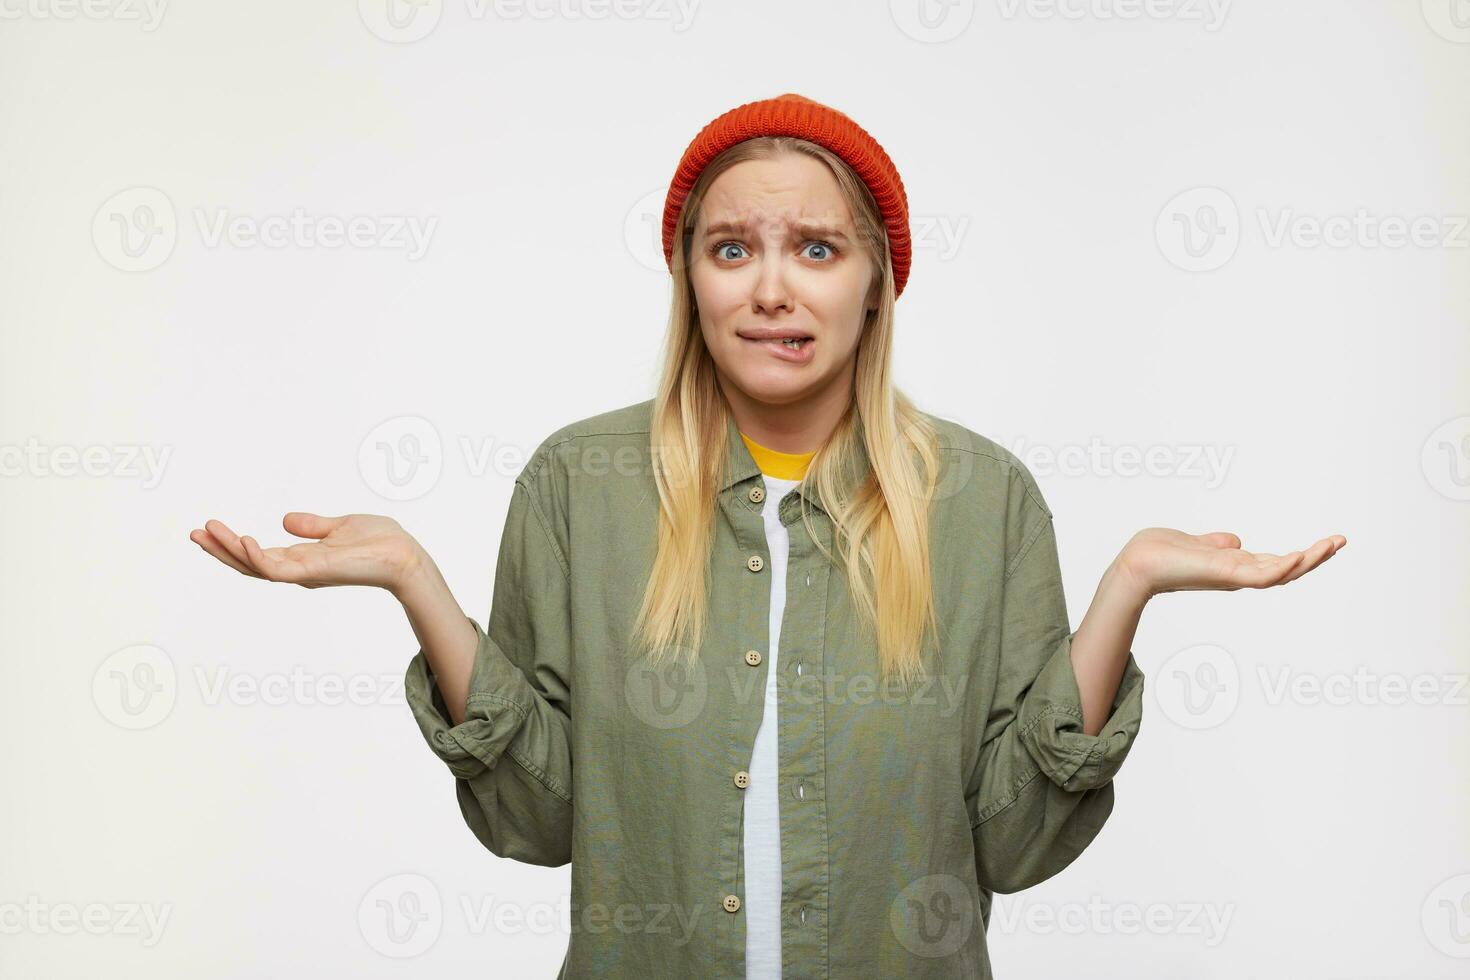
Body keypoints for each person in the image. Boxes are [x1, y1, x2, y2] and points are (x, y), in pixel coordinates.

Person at [190, 92, 1346, 979]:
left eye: (819, 249)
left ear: (877, 284)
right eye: (732, 249)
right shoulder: (579, 484)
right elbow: (537, 821)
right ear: (690, 279)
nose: (772, 290)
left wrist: (1128, 586)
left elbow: (1013, 845)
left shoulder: (983, 500)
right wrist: (414, 581)